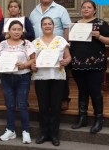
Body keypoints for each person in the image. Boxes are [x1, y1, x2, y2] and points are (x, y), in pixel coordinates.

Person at [70, 0, 109, 133]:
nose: (85, 9)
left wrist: (99, 36)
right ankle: (82, 118)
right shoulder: (75, 24)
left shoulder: (100, 23)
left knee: (95, 92)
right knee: (82, 91)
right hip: (78, 64)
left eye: (89, 7)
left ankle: (98, 119)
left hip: (96, 64)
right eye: (83, 7)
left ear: (94, 10)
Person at [29, 0, 72, 110]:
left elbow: (66, 27)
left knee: (61, 75)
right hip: (40, 48)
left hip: (57, 48)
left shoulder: (60, 9)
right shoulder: (34, 12)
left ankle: (64, 99)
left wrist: (65, 45)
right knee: (43, 78)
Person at [31, 17, 71, 146]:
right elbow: (32, 60)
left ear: (53, 26)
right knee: (43, 107)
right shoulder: (35, 43)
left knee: (55, 107)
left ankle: (54, 135)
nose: (47, 26)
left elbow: (68, 56)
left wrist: (66, 61)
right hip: (41, 77)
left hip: (57, 77)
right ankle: (44, 134)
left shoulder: (61, 40)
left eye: (49, 24)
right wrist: (32, 65)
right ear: (41, 27)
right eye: (44, 24)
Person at [0, 20, 35, 143]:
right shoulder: (2, 44)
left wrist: (24, 65)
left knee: (22, 105)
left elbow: (33, 59)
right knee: (10, 105)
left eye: (19, 29)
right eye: (14, 29)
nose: (16, 32)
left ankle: (26, 131)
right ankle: (10, 130)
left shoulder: (27, 43)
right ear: (9, 31)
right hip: (6, 78)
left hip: (23, 77)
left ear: (22, 31)